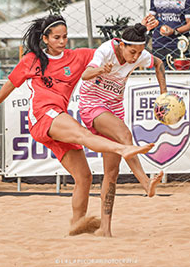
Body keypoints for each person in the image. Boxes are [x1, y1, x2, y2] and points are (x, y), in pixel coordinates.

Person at [0, 15, 154, 236]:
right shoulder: (33, 59)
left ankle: (77, 225)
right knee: (81, 133)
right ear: (45, 39)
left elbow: (115, 48)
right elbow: (10, 83)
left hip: (58, 119)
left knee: (84, 177)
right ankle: (123, 148)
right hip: (42, 115)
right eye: (57, 37)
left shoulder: (77, 57)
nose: (62, 41)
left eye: (65, 36)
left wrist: (141, 29)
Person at [78, 22, 166, 237]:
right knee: (125, 135)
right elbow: (85, 74)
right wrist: (101, 69)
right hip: (92, 106)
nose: (135, 57)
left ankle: (105, 229)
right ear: (122, 45)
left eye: (139, 52)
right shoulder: (106, 50)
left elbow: (159, 63)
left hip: (114, 109)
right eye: (132, 52)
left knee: (112, 173)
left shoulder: (140, 54)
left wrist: (164, 96)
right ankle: (145, 183)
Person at [150, 0, 190, 69]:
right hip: (158, 45)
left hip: (178, 46)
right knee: (157, 78)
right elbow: (151, 19)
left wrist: (173, 31)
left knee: (179, 79)